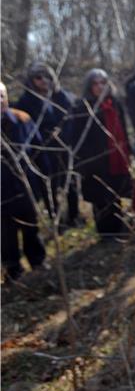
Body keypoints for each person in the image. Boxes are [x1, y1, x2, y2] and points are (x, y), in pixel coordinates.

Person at [66, 69, 132, 237]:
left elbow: (123, 128)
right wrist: (84, 161)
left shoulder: (115, 103)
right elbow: (76, 137)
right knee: (100, 197)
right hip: (95, 161)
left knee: (116, 192)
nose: (100, 87)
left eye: (103, 82)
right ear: (89, 86)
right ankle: (106, 233)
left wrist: (127, 150)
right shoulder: (82, 107)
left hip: (116, 155)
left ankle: (120, 227)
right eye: (95, 83)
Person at [14, 62, 81, 227]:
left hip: (64, 147)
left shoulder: (63, 97)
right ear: (31, 80)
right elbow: (27, 127)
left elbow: (72, 120)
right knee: (48, 185)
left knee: (70, 182)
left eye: (48, 77)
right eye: (38, 77)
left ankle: (74, 216)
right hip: (42, 150)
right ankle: (56, 220)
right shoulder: (26, 102)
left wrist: (64, 135)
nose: (44, 80)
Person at [1, 81, 50, 281]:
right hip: (2, 195)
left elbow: (38, 152)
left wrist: (45, 181)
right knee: (6, 235)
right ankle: (13, 271)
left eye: (2, 96)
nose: (0, 101)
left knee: (31, 228)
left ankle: (37, 262)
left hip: (25, 187)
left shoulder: (22, 119)